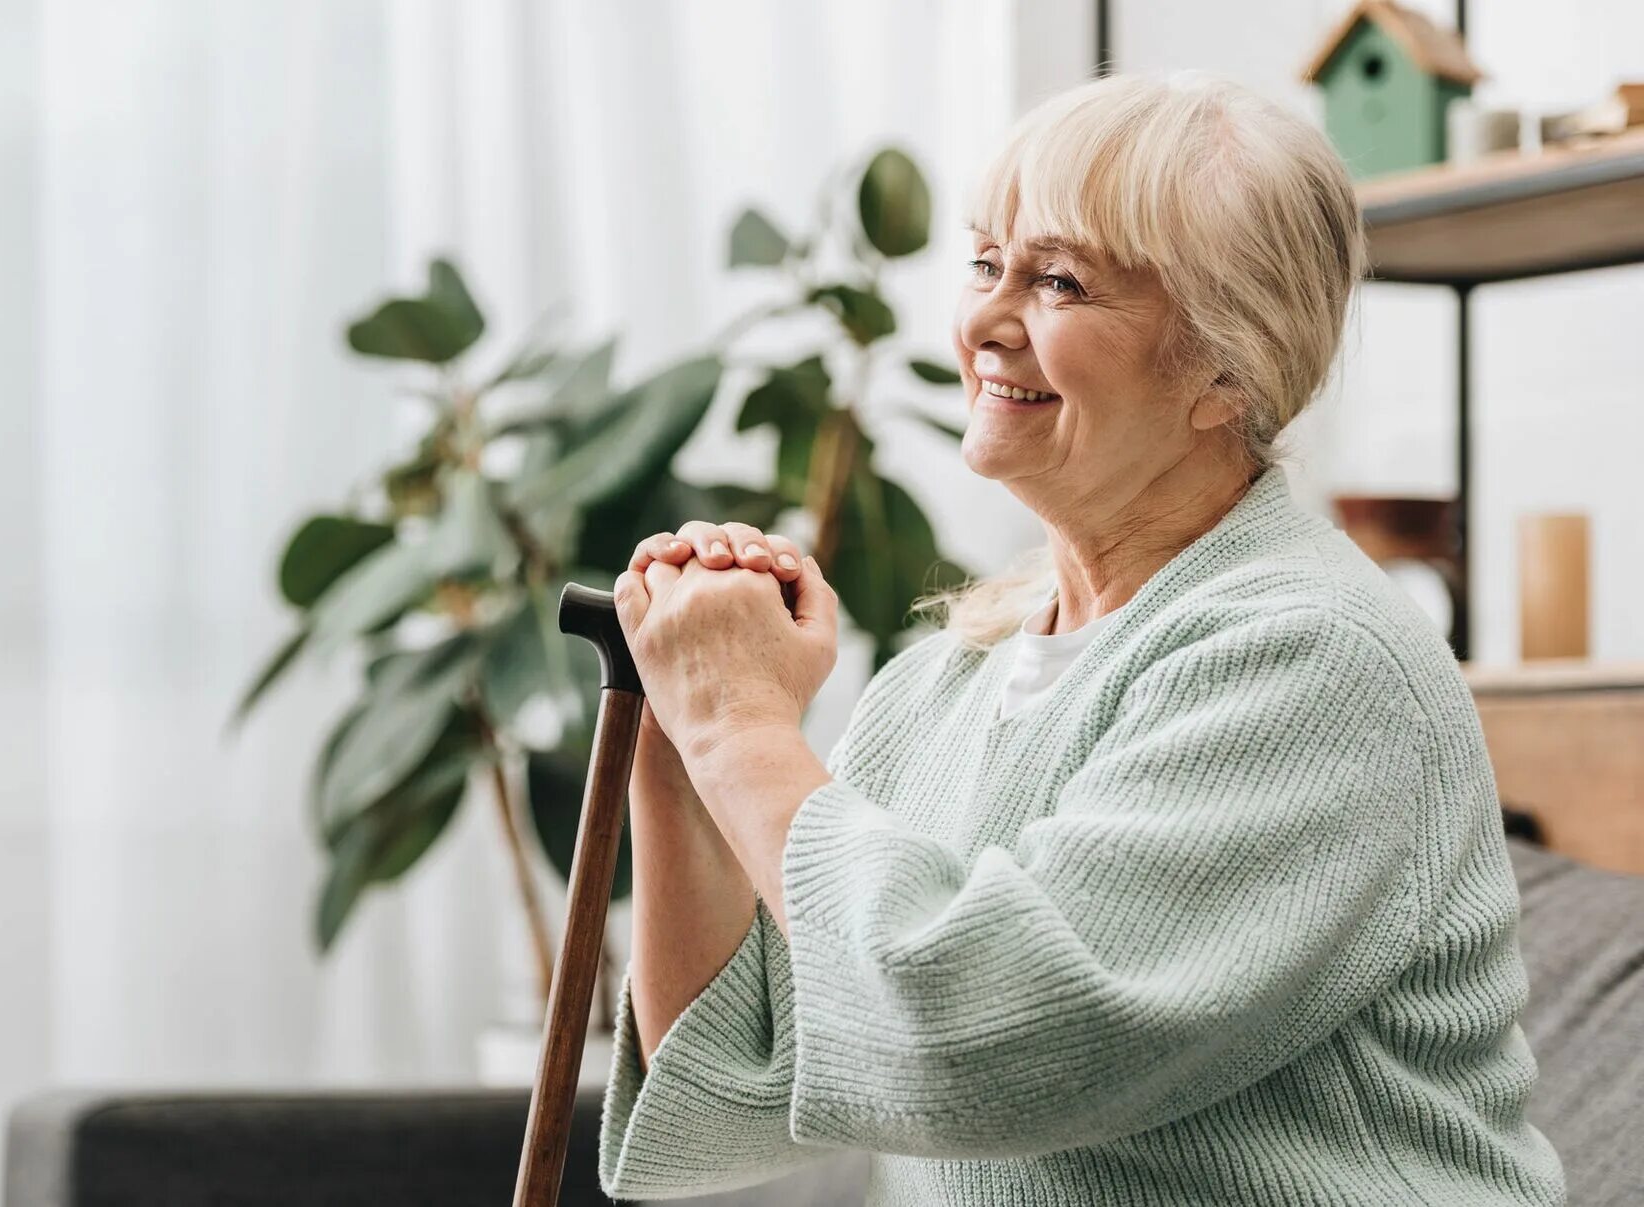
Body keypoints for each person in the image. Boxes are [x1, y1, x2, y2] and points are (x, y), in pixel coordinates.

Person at [600, 70, 1568, 1206]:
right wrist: (678, 727)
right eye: (983, 263)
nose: (985, 323)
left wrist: (740, 723)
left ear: (1226, 365)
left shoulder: (1312, 660)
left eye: (1060, 280)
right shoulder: (942, 686)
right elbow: (729, 1096)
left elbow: (974, 1045)